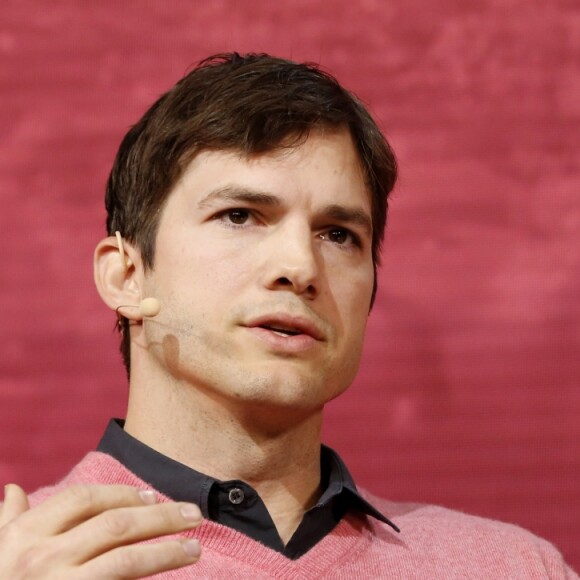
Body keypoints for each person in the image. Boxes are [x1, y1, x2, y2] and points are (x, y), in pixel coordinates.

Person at [0, 53, 576, 579]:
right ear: (126, 276)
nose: (300, 267)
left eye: (338, 235)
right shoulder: (23, 560)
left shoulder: (514, 567)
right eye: (240, 215)